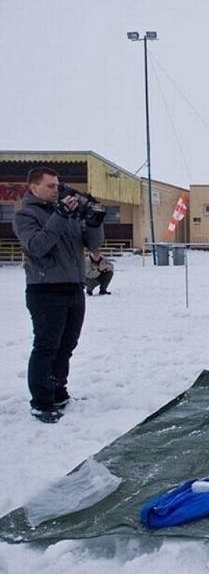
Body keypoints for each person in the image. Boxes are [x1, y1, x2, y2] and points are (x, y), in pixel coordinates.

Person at [12, 166, 105, 423]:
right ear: (34, 187)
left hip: (74, 287)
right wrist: (61, 215)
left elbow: (92, 244)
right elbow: (38, 247)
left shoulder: (67, 213)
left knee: (66, 346)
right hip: (45, 290)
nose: (56, 190)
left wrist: (94, 220)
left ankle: (58, 390)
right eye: (50, 186)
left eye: (57, 185)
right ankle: (41, 400)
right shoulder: (25, 215)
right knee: (46, 346)